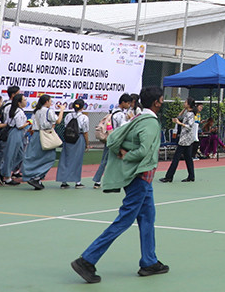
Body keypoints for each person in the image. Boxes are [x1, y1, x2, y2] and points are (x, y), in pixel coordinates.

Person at [71, 86, 168, 283]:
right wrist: (128, 155)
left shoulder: (137, 118)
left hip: (142, 179)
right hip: (140, 177)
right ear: (157, 101)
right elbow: (144, 151)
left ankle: (149, 261)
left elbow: (113, 138)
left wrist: (123, 152)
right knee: (124, 220)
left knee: (148, 218)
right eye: (162, 99)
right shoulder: (150, 123)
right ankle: (87, 259)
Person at [94, 94, 135, 189]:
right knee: (114, 160)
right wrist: (131, 120)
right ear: (123, 102)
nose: (129, 105)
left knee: (106, 160)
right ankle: (98, 180)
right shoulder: (120, 115)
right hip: (116, 140)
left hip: (110, 138)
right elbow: (123, 127)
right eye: (128, 103)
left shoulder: (113, 112)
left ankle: (98, 180)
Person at [23, 95, 65, 190]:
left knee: (34, 157)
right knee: (49, 158)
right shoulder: (48, 111)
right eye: (50, 101)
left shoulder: (36, 111)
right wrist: (62, 110)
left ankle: (33, 176)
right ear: (46, 102)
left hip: (36, 135)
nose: (51, 103)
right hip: (45, 136)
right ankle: (37, 177)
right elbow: (58, 121)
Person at [160, 99, 198, 183]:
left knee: (176, 158)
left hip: (185, 139)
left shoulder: (190, 114)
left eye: (185, 102)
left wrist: (179, 123)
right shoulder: (187, 113)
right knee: (188, 158)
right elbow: (179, 117)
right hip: (185, 139)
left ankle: (169, 177)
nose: (184, 103)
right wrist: (184, 109)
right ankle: (191, 176)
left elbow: (190, 126)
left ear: (189, 104)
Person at [56, 99, 91, 189]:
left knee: (65, 159)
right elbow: (85, 132)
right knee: (77, 160)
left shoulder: (68, 115)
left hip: (68, 138)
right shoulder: (84, 118)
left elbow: (65, 126)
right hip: (78, 139)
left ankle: (64, 182)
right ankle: (77, 182)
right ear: (83, 107)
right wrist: (87, 144)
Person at [0, 92, 28, 186]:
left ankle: (4, 170)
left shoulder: (14, 110)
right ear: (19, 103)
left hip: (17, 133)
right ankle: (7, 177)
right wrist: (29, 123)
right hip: (16, 132)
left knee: (20, 155)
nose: (26, 101)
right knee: (11, 154)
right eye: (24, 100)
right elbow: (20, 125)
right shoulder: (18, 112)